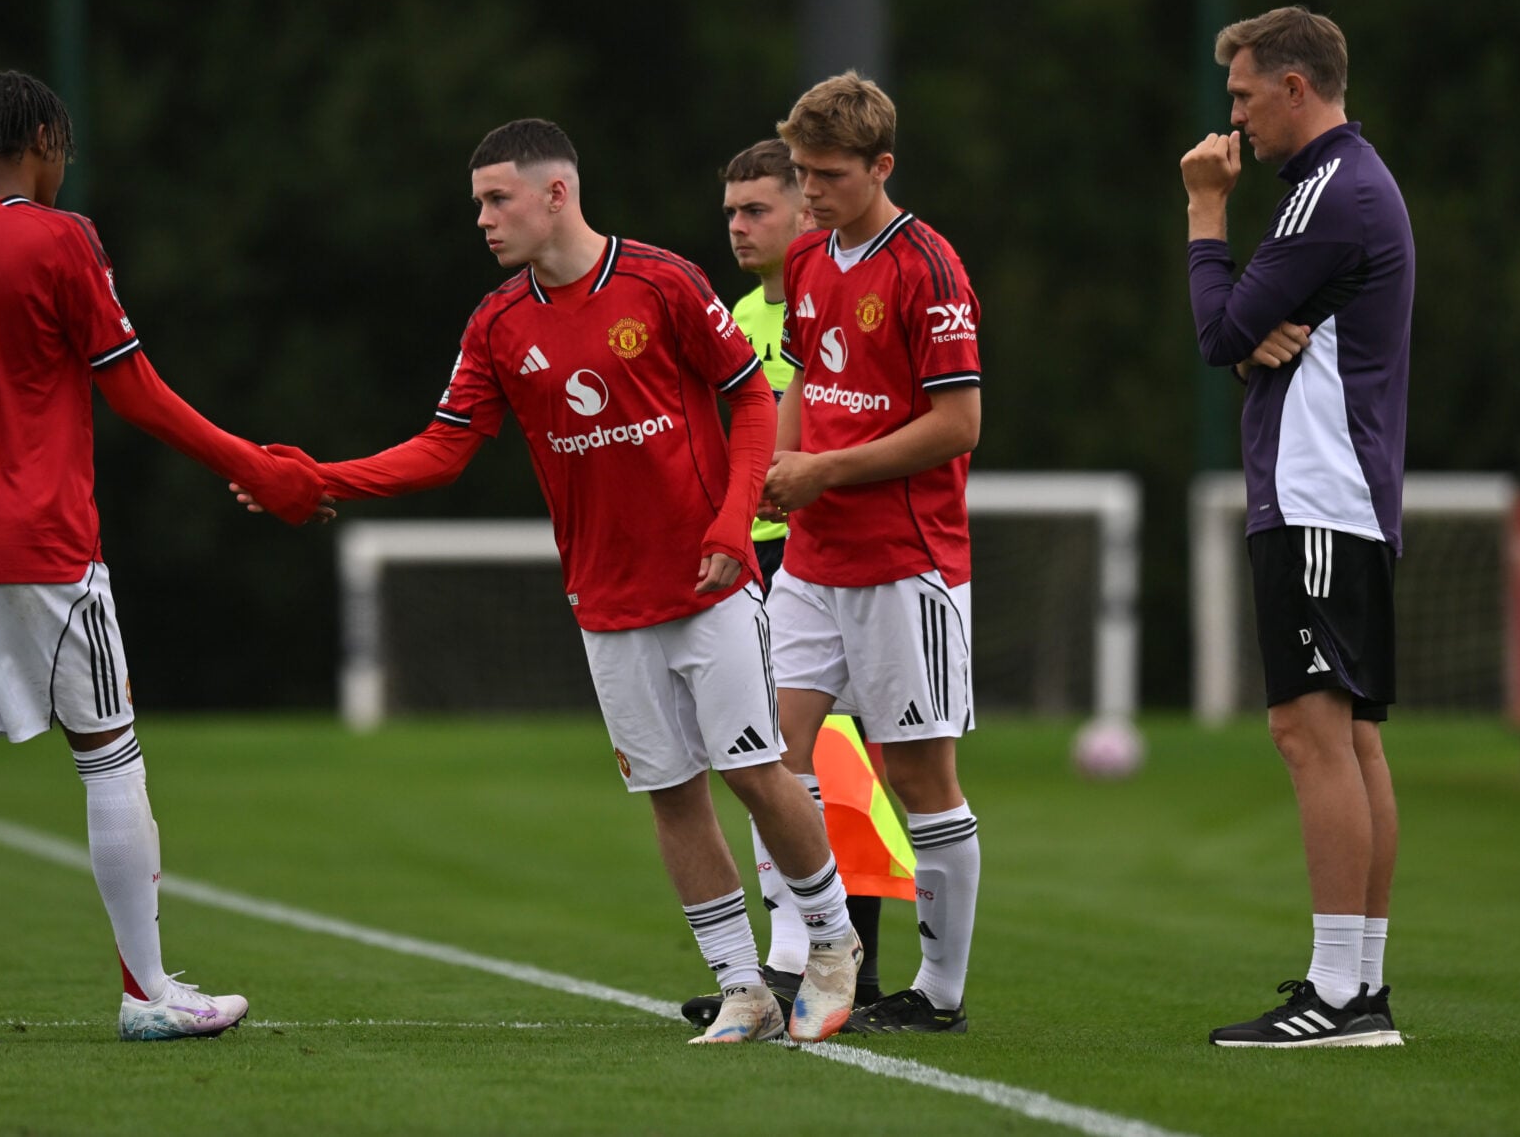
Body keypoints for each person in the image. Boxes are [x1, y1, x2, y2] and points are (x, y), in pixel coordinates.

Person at [243, 119, 862, 1044]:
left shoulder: (661, 281)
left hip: (708, 582)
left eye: (498, 199)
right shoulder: (497, 323)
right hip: (605, 600)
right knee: (670, 791)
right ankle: (743, 986)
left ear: (556, 194)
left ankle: (833, 943)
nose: (484, 220)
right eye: (479, 203)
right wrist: (323, 478)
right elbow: (443, 449)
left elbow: (747, 395)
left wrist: (734, 520)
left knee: (754, 770)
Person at [0, 70, 330, 1047]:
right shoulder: (61, 239)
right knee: (107, 750)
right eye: (62, 149)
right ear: (42, 140)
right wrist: (253, 464)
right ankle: (147, 990)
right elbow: (137, 392)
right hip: (41, 543)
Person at [1181, 6, 1412, 1048]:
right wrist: (1247, 334)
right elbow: (1249, 336)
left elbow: (1219, 329)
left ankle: (1339, 992)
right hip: (1347, 495)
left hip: (1319, 493)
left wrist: (1204, 210)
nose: (1233, 119)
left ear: (1293, 87)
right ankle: (1359, 985)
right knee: (1352, 740)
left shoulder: (1329, 189)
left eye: (1242, 96)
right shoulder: (1351, 184)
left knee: (1309, 733)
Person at [760, 72, 983, 1035]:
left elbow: (959, 423)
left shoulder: (928, 268)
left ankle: (939, 993)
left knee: (918, 780)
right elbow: (803, 383)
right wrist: (776, 472)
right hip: (813, 561)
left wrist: (826, 470)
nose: (810, 192)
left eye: (830, 175)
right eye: (802, 173)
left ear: (881, 166)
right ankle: (807, 956)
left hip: (906, 560)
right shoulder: (808, 257)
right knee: (765, 752)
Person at [681, 139, 913, 1030]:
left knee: (841, 762)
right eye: (730, 212)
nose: (738, 227)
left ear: (804, 211)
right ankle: (796, 955)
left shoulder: (843, 299)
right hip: (760, 558)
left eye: (757, 210)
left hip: (830, 553)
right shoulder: (738, 314)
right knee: (772, 756)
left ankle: (858, 958)